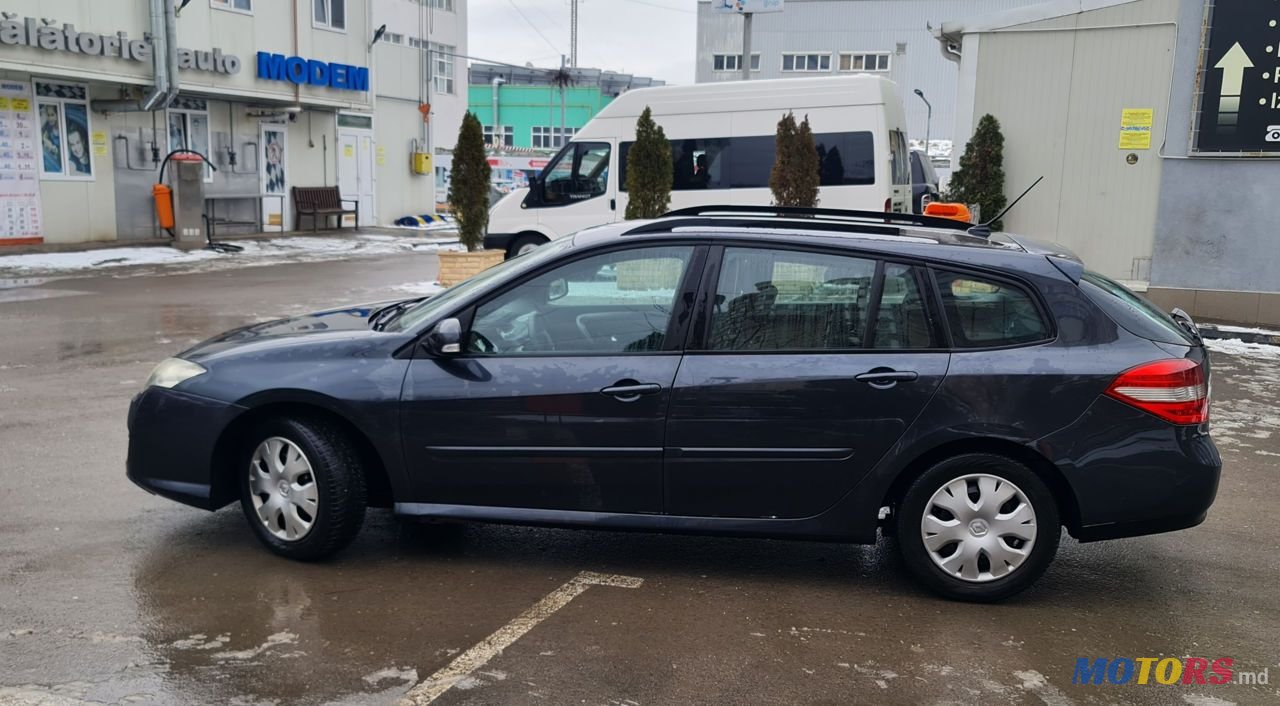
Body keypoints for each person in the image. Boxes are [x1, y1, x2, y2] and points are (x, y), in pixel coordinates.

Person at [40, 105, 61, 173]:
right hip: (54, 161)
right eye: (48, 115)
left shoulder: (63, 129)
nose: (50, 118)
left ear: (58, 115)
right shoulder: (49, 127)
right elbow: (44, 137)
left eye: (52, 115)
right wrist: (49, 144)